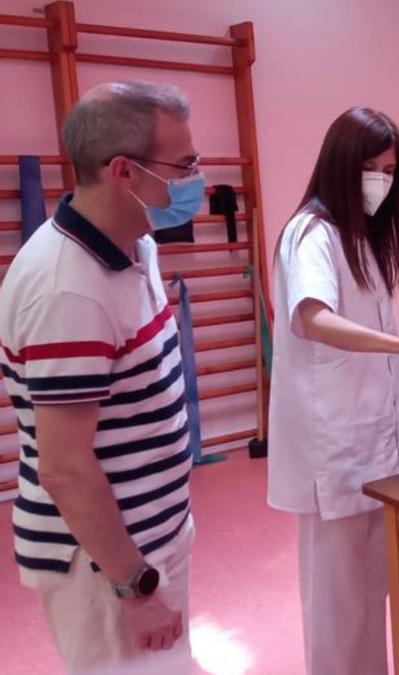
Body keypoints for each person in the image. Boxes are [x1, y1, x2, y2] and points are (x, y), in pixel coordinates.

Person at [0, 81, 202, 673]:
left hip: (151, 533)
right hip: (102, 563)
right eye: (185, 164)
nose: (196, 177)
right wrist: (134, 586)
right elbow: (66, 466)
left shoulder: (137, 243)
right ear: (123, 172)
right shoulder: (69, 291)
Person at [267, 107, 399, 675]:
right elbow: (312, 319)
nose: (380, 180)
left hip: (371, 444)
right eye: (369, 168)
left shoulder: (362, 238)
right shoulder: (312, 233)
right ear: (338, 166)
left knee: (371, 590)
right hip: (334, 452)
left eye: (389, 169)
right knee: (337, 602)